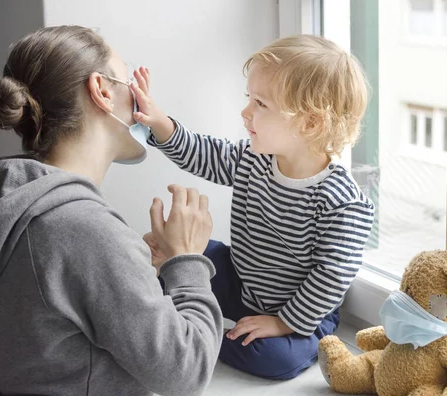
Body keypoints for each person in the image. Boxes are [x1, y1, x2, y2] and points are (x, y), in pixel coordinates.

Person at [0, 25, 222, 396]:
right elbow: (187, 372)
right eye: (129, 81)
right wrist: (189, 258)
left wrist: (135, 266)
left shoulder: (9, 200)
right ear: (102, 91)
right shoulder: (82, 229)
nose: (141, 99)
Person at [133, 35, 376, 379]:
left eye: (260, 104)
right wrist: (160, 124)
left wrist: (282, 322)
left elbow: (330, 277)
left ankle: (195, 339)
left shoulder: (342, 201)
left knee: (276, 360)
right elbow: (205, 154)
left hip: (302, 311)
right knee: (176, 255)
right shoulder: (253, 159)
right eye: (250, 98)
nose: (245, 112)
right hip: (242, 280)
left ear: (310, 123)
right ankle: (176, 307)